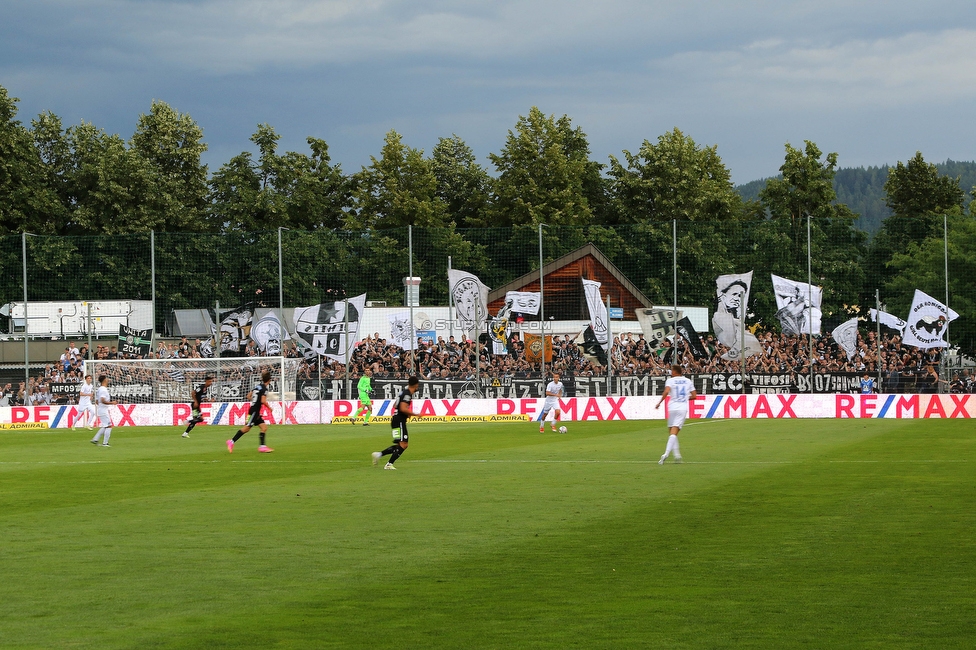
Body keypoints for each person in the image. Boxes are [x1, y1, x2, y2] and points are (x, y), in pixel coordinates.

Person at [372, 376, 419, 470]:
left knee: (402, 444)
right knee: (403, 444)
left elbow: (395, 405)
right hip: (399, 421)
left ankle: (379, 454)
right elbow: (402, 408)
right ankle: (389, 464)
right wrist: (415, 414)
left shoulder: (403, 392)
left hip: (396, 419)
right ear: (416, 385)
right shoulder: (407, 394)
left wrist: (406, 414)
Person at [655, 365, 697, 464]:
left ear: (675, 372)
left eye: (671, 371)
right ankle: (666, 453)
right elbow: (694, 396)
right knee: (674, 432)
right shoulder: (688, 381)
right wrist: (685, 398)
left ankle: (677, 456)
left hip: (672, 407)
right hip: (682, 408)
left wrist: (659, 402)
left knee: (671, 432)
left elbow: (666, 392)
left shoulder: (670, 381)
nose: (671, 372)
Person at [227, 371, 273, 453]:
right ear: (269, 380)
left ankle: (262, 447)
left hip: (254, 410)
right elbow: (263, 401)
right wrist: (269, 408)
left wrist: (255, 402)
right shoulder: (265, 389)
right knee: (246, 428)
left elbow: (248, 396)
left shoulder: (257, 386)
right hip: (254, 412)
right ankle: (231, 441)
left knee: (264, 427)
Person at [90, 375, 116, 447]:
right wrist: (112, 402)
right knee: (109, 426)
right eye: (107, 379)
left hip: (102, 409)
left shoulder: (100, 389)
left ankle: (95, 439)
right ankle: (105, 443)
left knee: (105, 425)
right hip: (103, 410)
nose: (108, 380)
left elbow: (97, 401)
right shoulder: (103, 390)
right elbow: (102, 400)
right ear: (104, 380)